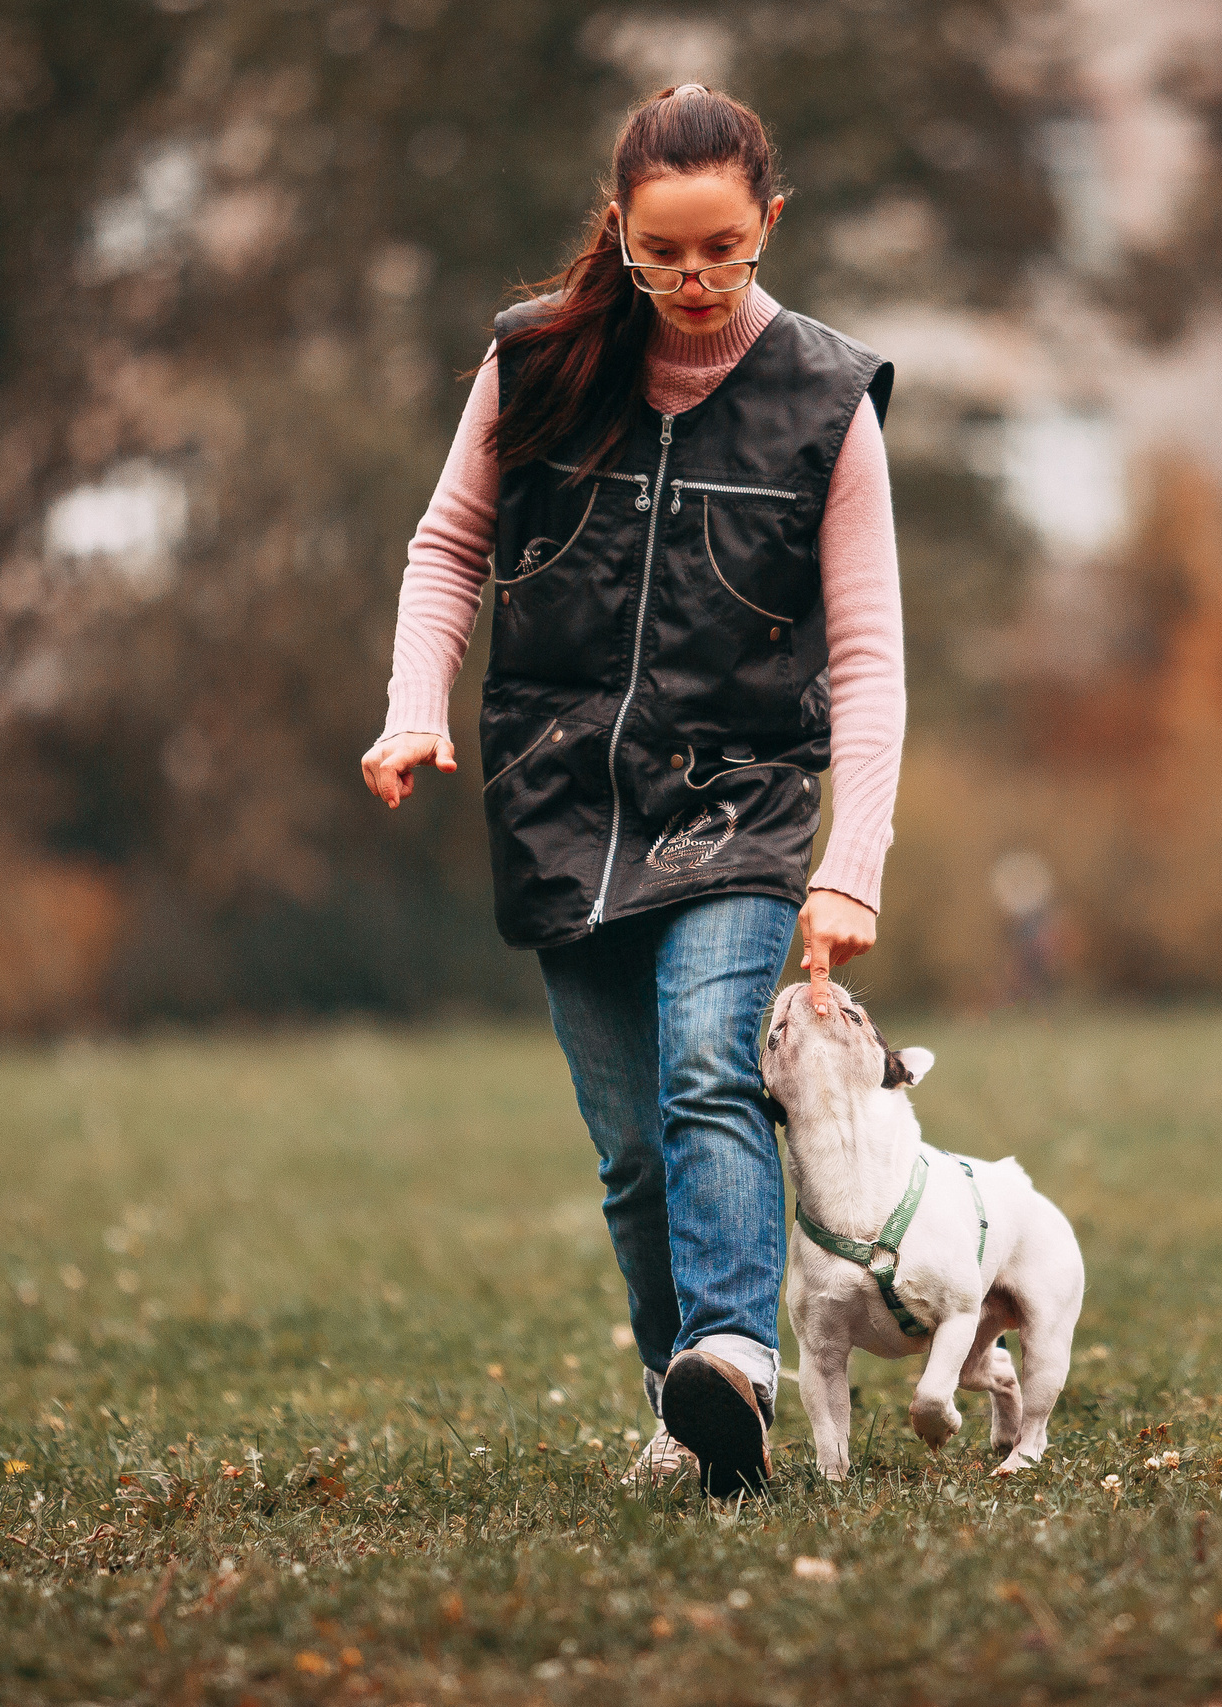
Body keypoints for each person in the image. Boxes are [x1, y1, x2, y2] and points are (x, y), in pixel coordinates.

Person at [358, 84, 905, 1497]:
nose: (695, 280)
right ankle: (689, 1412)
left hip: (739, 799)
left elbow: (871, 658)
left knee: (710, 1074)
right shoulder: (535, 364)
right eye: (664, 253)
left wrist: (856, 859)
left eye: (722, 247)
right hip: (562, 806)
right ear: (621, 229)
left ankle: (733, 1359)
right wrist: (417, 706)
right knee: (631, 1156)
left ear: (768, 221)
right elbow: (444, 549)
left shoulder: (828, 401)